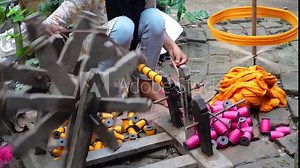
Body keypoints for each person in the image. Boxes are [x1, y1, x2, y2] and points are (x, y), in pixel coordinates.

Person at [42, 0, 188, 106]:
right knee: (124, 26)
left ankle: (144, 85)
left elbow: (151, 19)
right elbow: (53, 20)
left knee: (154, 17)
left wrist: (172, 47)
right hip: (94, 52)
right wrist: (48, 27)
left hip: (125, 46)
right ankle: (103, 95)